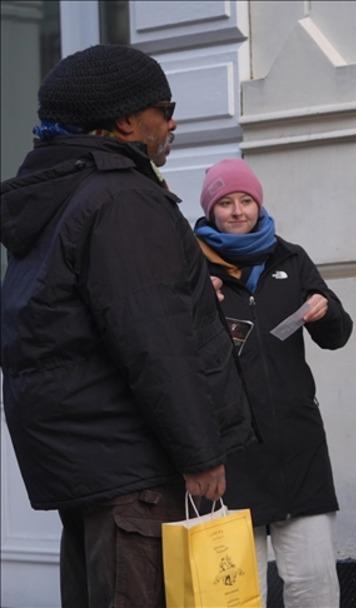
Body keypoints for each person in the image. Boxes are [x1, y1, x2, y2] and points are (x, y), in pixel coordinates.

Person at [0, 45, 253, 606]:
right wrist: (200, 453)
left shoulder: (66, 194)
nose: (172, 121)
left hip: (94, 465)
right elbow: (152, 341)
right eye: (164, 108)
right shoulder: (120, 198)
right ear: (125, 121)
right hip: (134, 472)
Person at [195, 158, 353, 606]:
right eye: (225, 203)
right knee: (238, 596)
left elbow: (337, 337)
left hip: (297, 452)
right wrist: (194, 302)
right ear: (210, 211)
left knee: (314, 587)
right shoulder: (189, 267)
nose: (238, 211)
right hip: (227, 460)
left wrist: (328, 309)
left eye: (246, 200)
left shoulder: (290, 257)